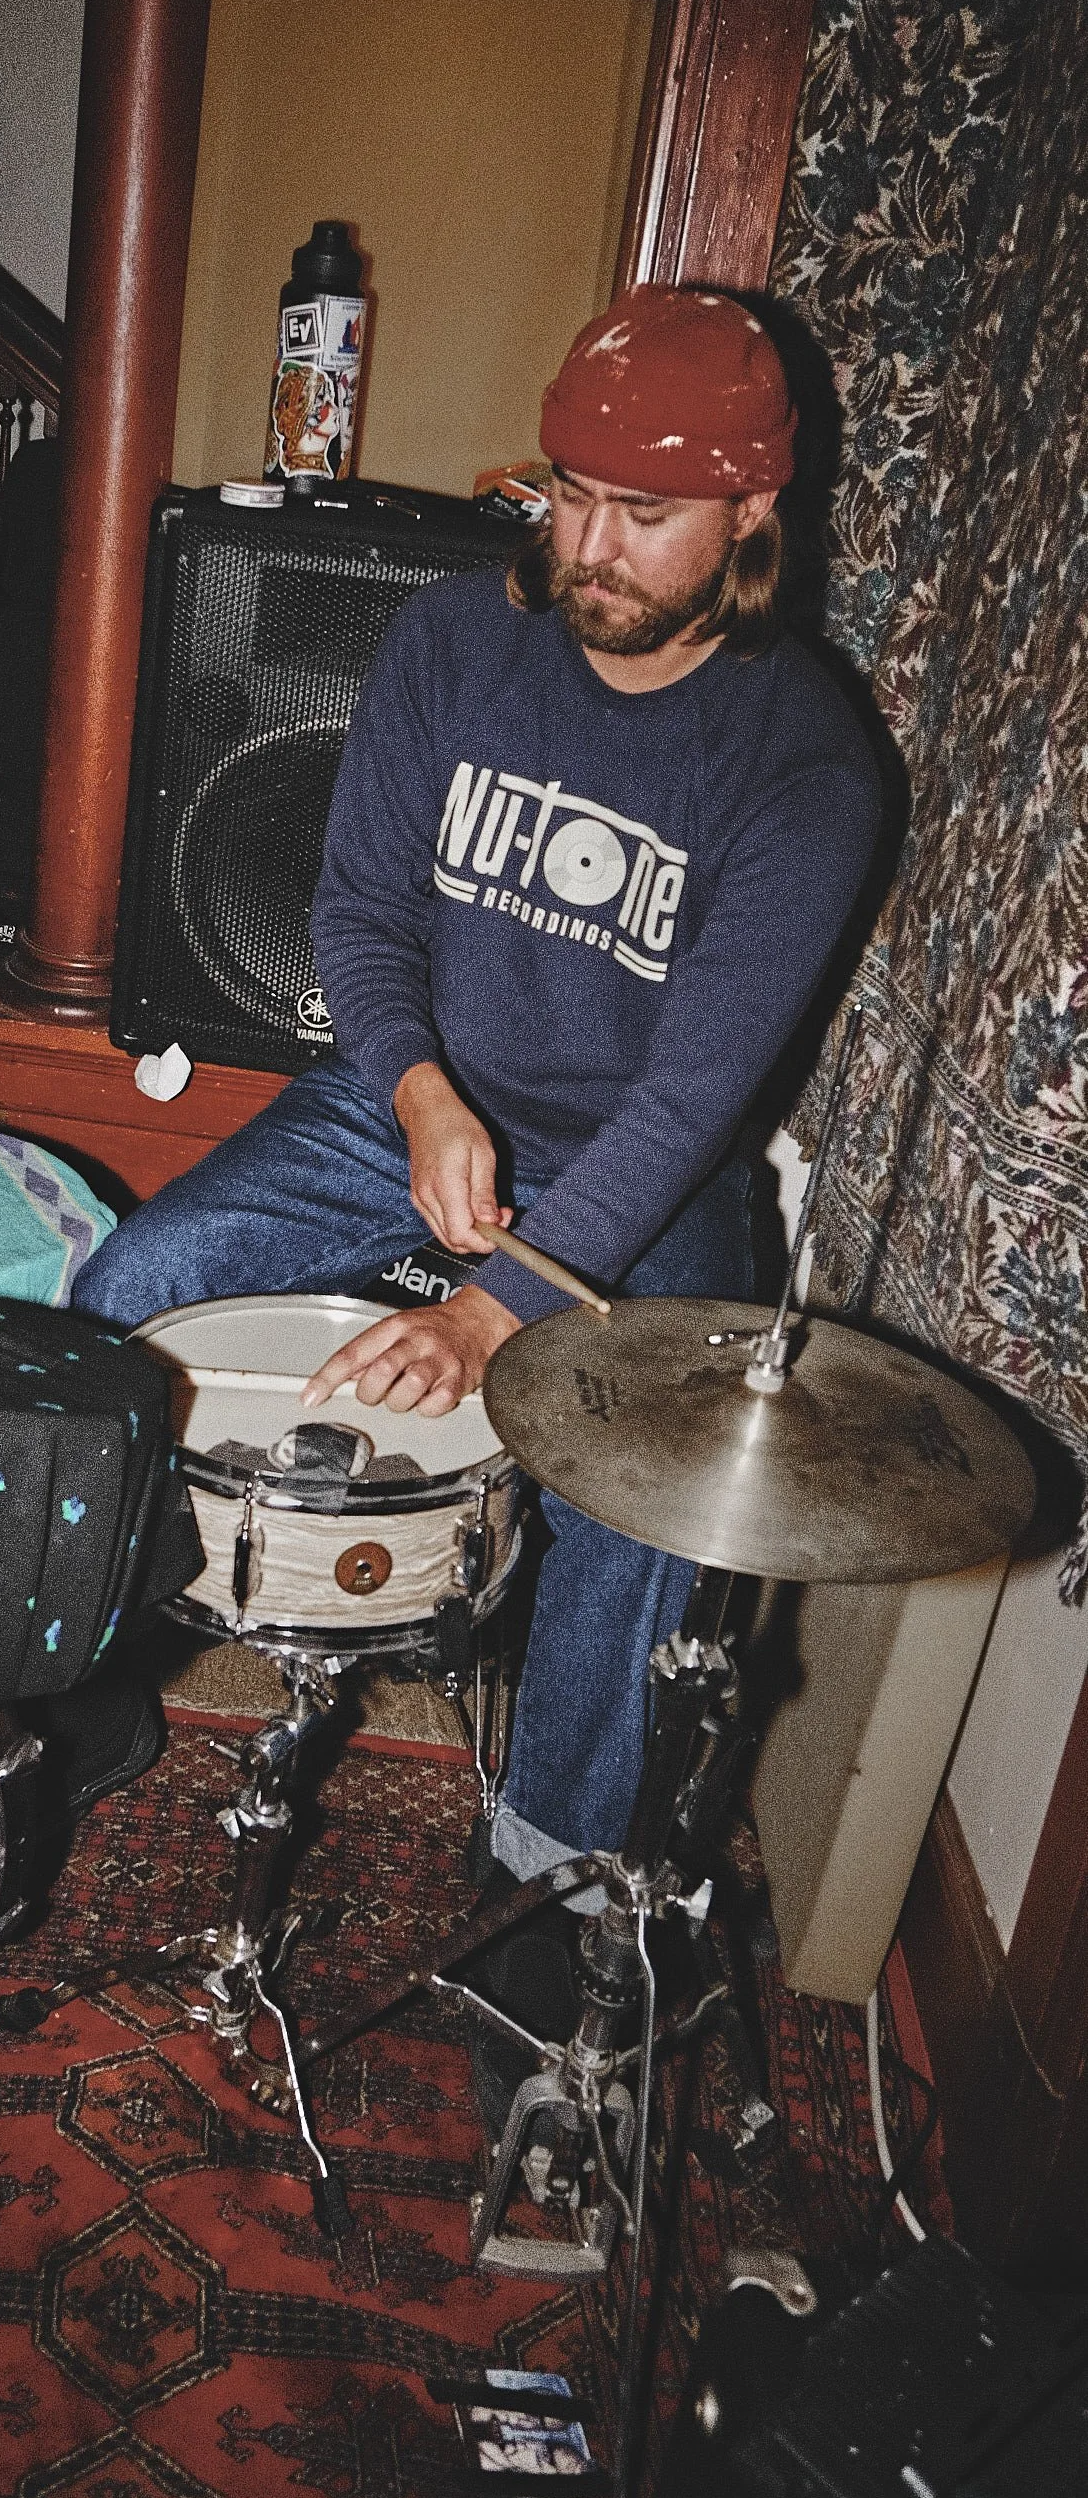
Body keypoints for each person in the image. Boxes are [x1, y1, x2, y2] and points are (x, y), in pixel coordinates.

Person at [75, 289, 882, 1970]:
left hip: (646, 1172)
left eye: (640, 513)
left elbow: (697, 1094)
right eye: (568, 492)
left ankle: (548, 1862)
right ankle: (81, 1680)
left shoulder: (806, 760)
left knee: (646, 1487)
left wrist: (497, 1303)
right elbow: (361, 908)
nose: (586, 544)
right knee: (133, 1281)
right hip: (412, 1099)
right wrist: (421, 1088)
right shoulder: (456, 638)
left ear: (751, 518)